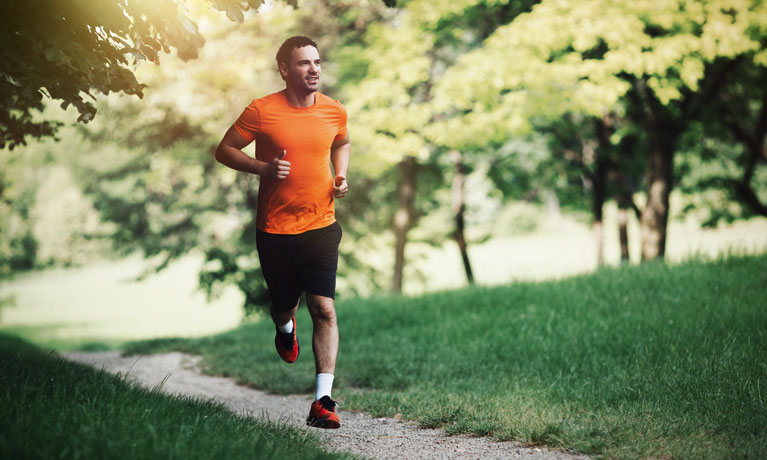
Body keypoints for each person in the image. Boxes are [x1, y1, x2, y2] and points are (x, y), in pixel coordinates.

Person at [214, 36, 350, 429]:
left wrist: (341, 176)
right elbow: (225, 150)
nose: (314, 69)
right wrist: (264, 169)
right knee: (284, 307)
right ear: (285, 70)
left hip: (321, 225)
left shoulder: (334, 110)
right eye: (304, 63)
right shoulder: (261, 111)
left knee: (324, 308)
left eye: (317, 62)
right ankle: (284, 328)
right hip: (275, 229)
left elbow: (343, 142)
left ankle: (322, 400)